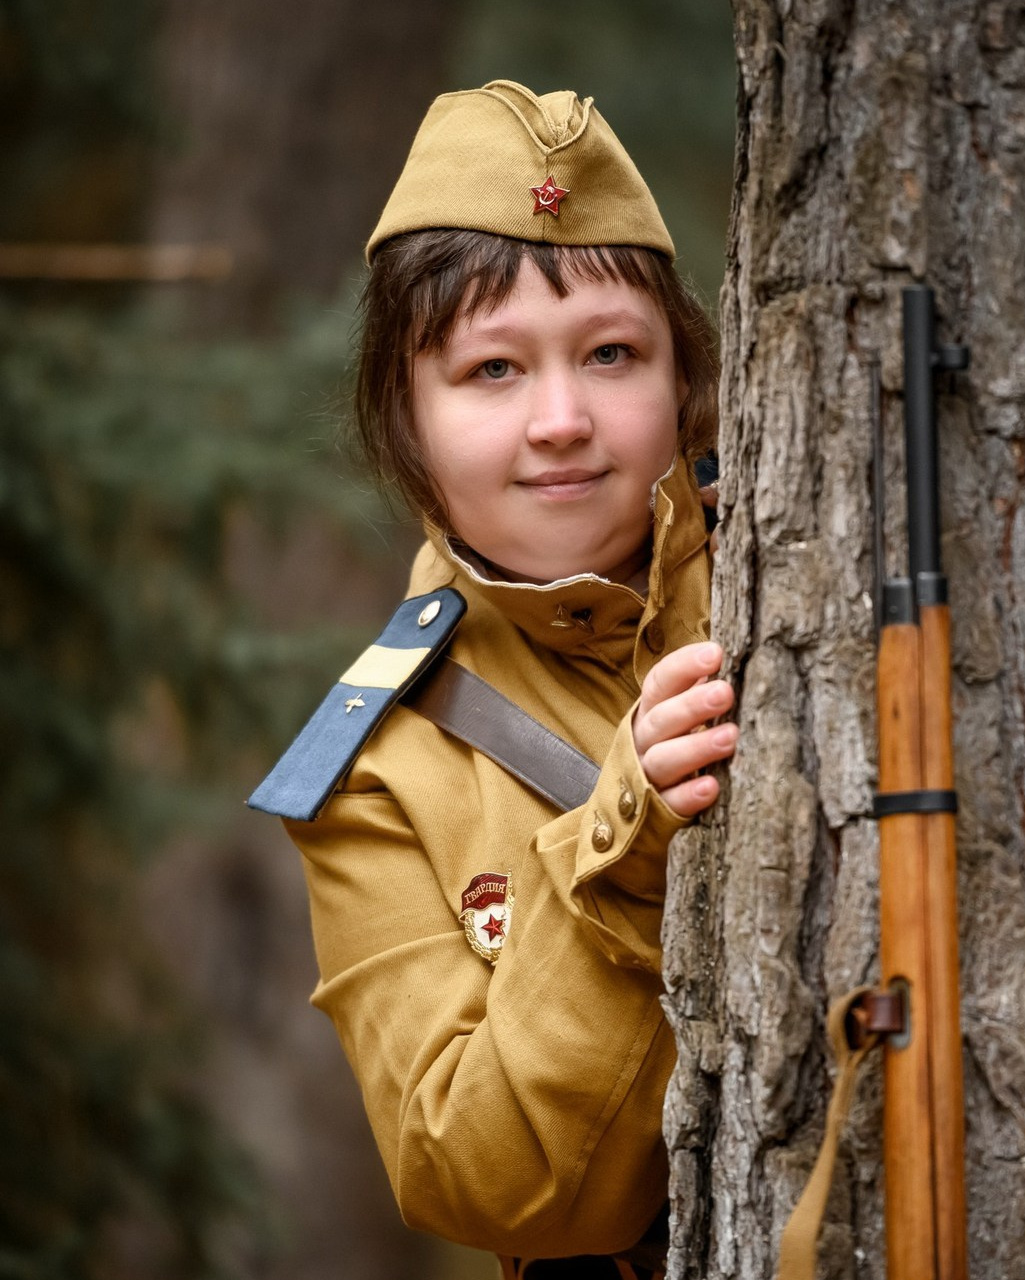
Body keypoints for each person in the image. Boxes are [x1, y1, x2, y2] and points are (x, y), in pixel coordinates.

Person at [249, 80, 737, 1278]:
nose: (562, 417)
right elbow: (483, 1180)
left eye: (611, 352)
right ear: (403, 419)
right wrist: (627, 846)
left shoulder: (804, 579)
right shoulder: (377, 772)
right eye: (492, 370)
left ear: (682, 371)